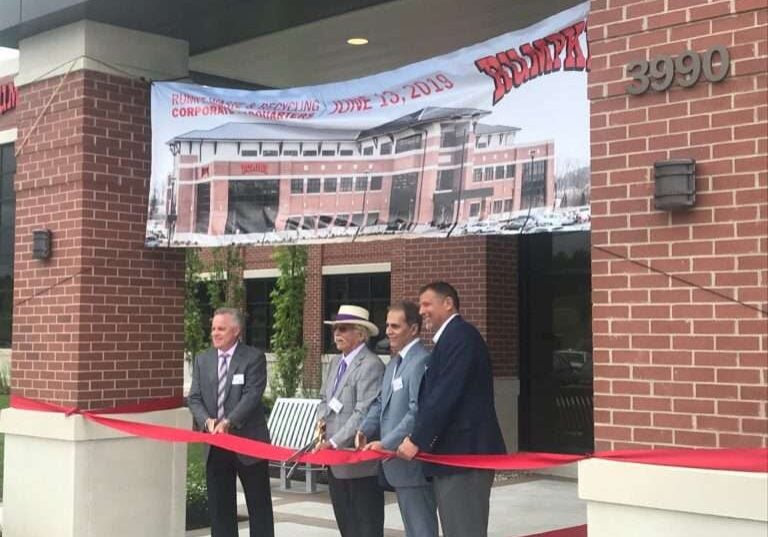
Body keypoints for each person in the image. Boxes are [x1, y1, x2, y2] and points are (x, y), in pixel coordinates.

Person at [397, 282, 506, 537]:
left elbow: (445, 395)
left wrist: (417, 439)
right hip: (453, 457)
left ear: (448, 303)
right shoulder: (450, 339)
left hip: (464, 457)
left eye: (427, 304)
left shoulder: (461, 337)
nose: (422, 310)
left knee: (463, 529)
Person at [188, 307, 274, 537]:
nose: (215, 333)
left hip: (248, 444)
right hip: (216, 445)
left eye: (221, 329)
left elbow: (252, 395)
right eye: (213, 328)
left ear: (236, 331)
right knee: (220, 509)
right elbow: (194, 397)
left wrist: (228, 421)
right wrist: (206, 421)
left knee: (260, 508)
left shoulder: (253, 357)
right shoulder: (202, 359)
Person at [357, 301, 438, 537]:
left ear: (413, 329)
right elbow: (382, 402)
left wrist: (386, 442)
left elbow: (417, 411)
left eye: (395, 326)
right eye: (387, 326)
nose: (388, 331)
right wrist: (365, 428)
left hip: (412, 463)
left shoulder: (421, 361)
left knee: (421, 529)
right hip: (396, 464)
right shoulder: (393, 363)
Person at [316, 305, 386, 537]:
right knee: (346, 526)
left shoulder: (371, 365)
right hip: (335, 460)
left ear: (360, 333)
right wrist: (320, 426)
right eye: (335, 329)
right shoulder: (336, 363)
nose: (337, 334)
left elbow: (363, 412)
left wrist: (334, 442)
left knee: (365, 526)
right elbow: (324, 398)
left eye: (343, 329)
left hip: (358, 462)